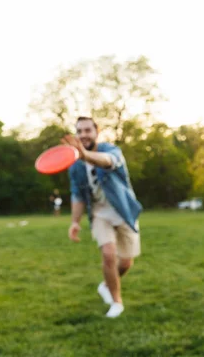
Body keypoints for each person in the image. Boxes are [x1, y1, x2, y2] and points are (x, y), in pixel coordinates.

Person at [63, 116, 142, 319]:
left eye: (87, 130)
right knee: (108, 254)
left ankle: (106, 284)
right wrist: (75, 222)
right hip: (99, 213)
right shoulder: (75, 166)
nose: (83, 135)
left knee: (125, 263)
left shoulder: (111, 150)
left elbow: (108, 162)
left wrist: (86, 155)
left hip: (123, 210)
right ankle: (116, 302)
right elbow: (78, 195)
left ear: (96, 131)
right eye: (79, 131)